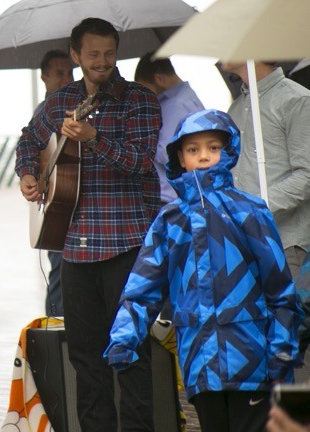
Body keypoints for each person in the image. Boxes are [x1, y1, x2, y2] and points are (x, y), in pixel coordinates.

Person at [105, 109, 303, 432]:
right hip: (200, 362)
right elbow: (143, 287)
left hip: (253, 361)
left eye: (213, 147)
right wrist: (124, 336)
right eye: (193, 150)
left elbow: (280, 290)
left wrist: (281, 349)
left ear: (229, 151)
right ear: (180, 158)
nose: (204, 156)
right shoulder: (170, 221)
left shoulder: (250, 211)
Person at [15, 17, 161, 432]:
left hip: (125, 242)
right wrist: (29, 173)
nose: (102, 61)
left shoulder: (139, 100)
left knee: (131, 350)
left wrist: (94, 138)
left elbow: (139, 161)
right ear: (75, 56)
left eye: (109, 53)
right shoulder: (61, 99)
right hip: (74, 246)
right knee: (84, 356)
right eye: (93, 54)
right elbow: (28, 139)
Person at [220, 62, 310, 295]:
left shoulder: (296, 99)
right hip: (245, 245)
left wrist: (253, 207)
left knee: (289, 327)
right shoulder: (236, 109)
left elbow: (307, 175)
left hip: (285, 243)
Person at [33, 49, 74, 317]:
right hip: (57, 205)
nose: (66, 79)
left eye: (70, 72)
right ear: (44, 77)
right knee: (59, 271)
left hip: (72, 200)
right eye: (59, 73)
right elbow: (30, 152)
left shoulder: (76, 107)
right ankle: (55, 328)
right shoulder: (43, 113)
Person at [134, 52, 205, 204]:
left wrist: (142, 142)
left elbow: (168, 154)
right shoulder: (189, 97)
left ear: (159, 78)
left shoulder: (173, 105)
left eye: (145, 88)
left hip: (170, 197)